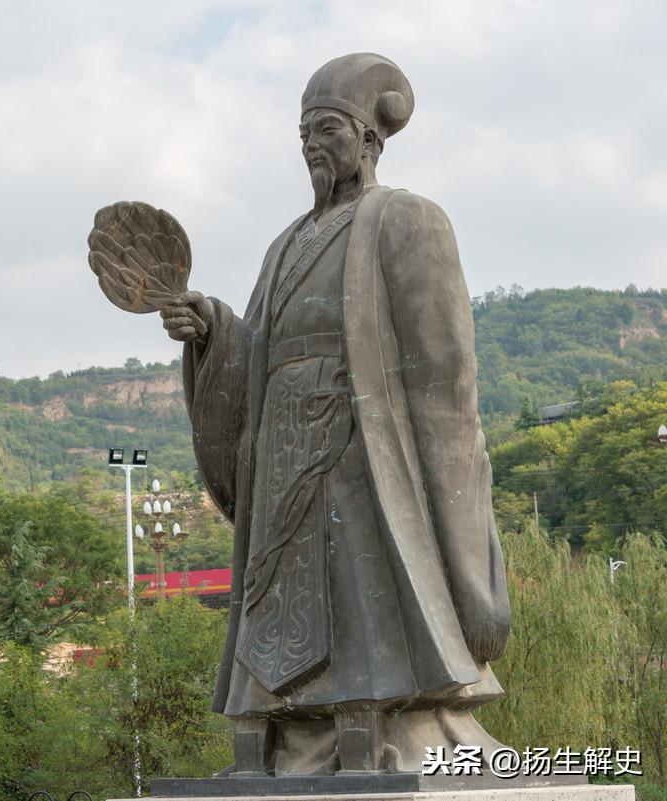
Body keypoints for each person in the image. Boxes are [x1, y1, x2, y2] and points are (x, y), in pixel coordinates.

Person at [160, 53, 510, 776]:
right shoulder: (284, 244)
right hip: (282, 457)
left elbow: (443, 375)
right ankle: (283, 735)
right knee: (280, 596)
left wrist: (443, 476)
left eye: (327, 129)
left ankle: (381, 725)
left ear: (369, 138)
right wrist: (213, 329)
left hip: (360, 453)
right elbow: (256, 350)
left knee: (363, 590)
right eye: (303, 134)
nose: (312, 146)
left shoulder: (405, 219)